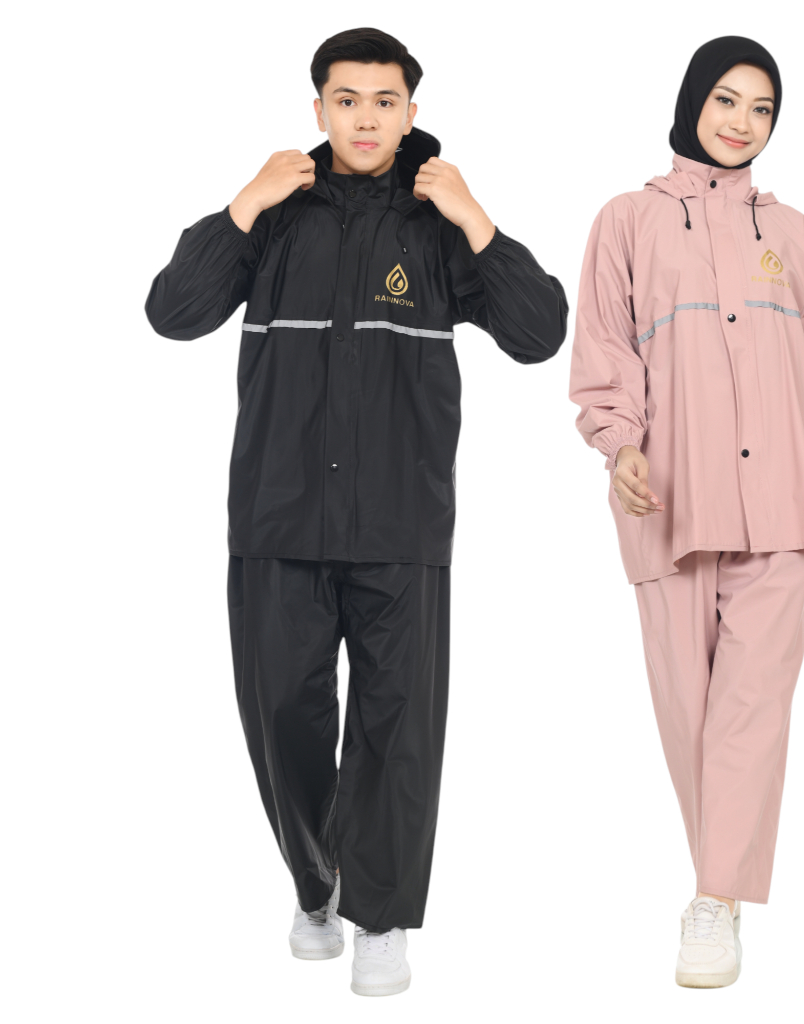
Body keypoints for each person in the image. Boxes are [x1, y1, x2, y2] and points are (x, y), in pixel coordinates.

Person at [146, 27, 566, 996]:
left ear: (411, 113)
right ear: (319, 110)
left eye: (385, 101)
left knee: (395, 731)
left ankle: (380, 916)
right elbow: (172, 312)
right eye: (347, 100)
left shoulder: (435, 225)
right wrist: (243, 203)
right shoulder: (275, 218)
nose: (366, 118)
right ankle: (317, 881)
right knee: (281, 718)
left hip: (400, 525)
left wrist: (476, 219)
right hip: (277, 518)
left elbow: (541, 333)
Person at [569, 36, 804, 988]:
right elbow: (606, 351)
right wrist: (622, 444)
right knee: (692, 711)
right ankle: (718, 887)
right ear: (691, 102)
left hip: (781, 503)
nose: (741, 121)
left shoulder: (793, 232)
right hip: (669, 500)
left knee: (752, 711)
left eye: (761, 108)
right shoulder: (628, 219)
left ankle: (712, 903)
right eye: (726, 99)